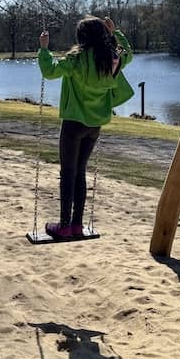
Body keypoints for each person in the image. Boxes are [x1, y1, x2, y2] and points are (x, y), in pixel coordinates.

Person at [37, 15, 133, 239]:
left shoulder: (77, 59)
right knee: (80, 172)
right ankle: (77, 224)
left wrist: (44, 49)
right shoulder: (113, 58)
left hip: (73, 124)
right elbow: (128, 51)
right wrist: (115, 32)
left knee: (68, 172)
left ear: (81, 37)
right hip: (95, 125)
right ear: (102, 34)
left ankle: (64, 225)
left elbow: (50, 71)